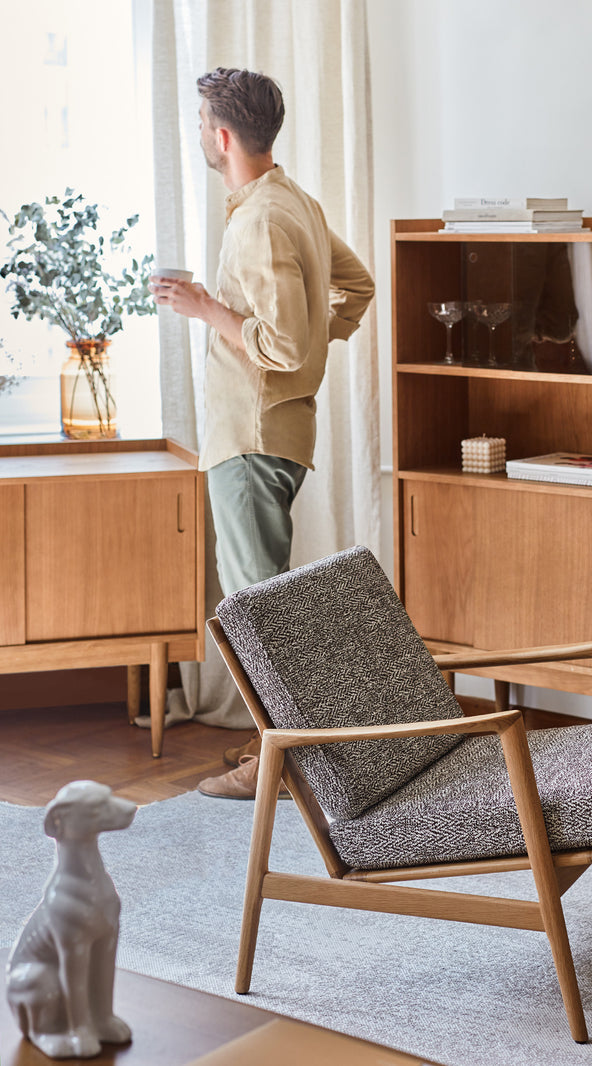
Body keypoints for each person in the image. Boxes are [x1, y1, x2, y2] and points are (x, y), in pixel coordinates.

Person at [150, 67, 374, 799]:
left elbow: (279, 347)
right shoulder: (292, 202)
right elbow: (358, 287)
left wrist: (206, 309)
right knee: (261, 601)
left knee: (253, 609)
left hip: (249, 434)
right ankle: (278, 747)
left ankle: (281, 766)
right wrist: (316, 337)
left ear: (220, 135)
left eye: (201, 128)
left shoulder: (259, 220)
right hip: (276, 432)